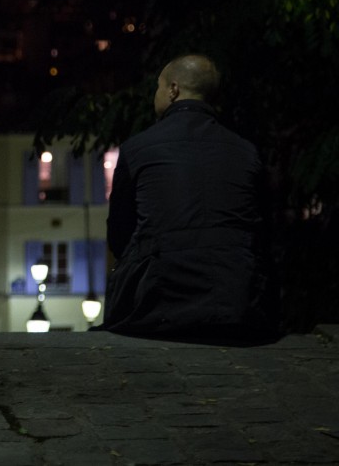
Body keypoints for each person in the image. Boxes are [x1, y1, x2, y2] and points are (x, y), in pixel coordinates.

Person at [97, 54, 282, 343]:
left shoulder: (137, 149)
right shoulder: (246, 151)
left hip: (157, 303)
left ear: (173, 90)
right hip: (238, 301)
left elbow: (120, 234)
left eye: (158, 88)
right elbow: (264, 230)